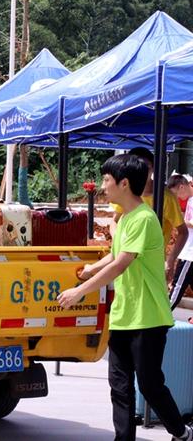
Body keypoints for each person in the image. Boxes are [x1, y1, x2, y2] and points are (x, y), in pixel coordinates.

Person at [58, 153, 191, 441]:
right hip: (123, 315)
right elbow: (115, 256)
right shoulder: (128, 218)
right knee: (119, 385)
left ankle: (181, 433)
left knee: (150, 384)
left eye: (106, 180)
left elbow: (122, 263)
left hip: (148, 316)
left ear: (124, 183)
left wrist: (80, 292)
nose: (103, 186)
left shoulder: (144, 219)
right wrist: (91, 268)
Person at [111, 147, 187, 283]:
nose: (140, 171)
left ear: (153, 168)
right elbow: (114, 221)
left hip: (153, 265)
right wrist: (120, 240)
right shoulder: (125, 192)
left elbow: (182, 232)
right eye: (135, 166)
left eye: (145, 166)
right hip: (127, 263)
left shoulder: (165, 197)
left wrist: (170, 261)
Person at [167, 174, 193, 310]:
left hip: (189, 254)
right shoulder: (190, 201)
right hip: (187, 250)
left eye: (176, 194)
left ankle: (163, 315)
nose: (177, 198)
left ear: (182, 187)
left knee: (177, 286)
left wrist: (178, 221)